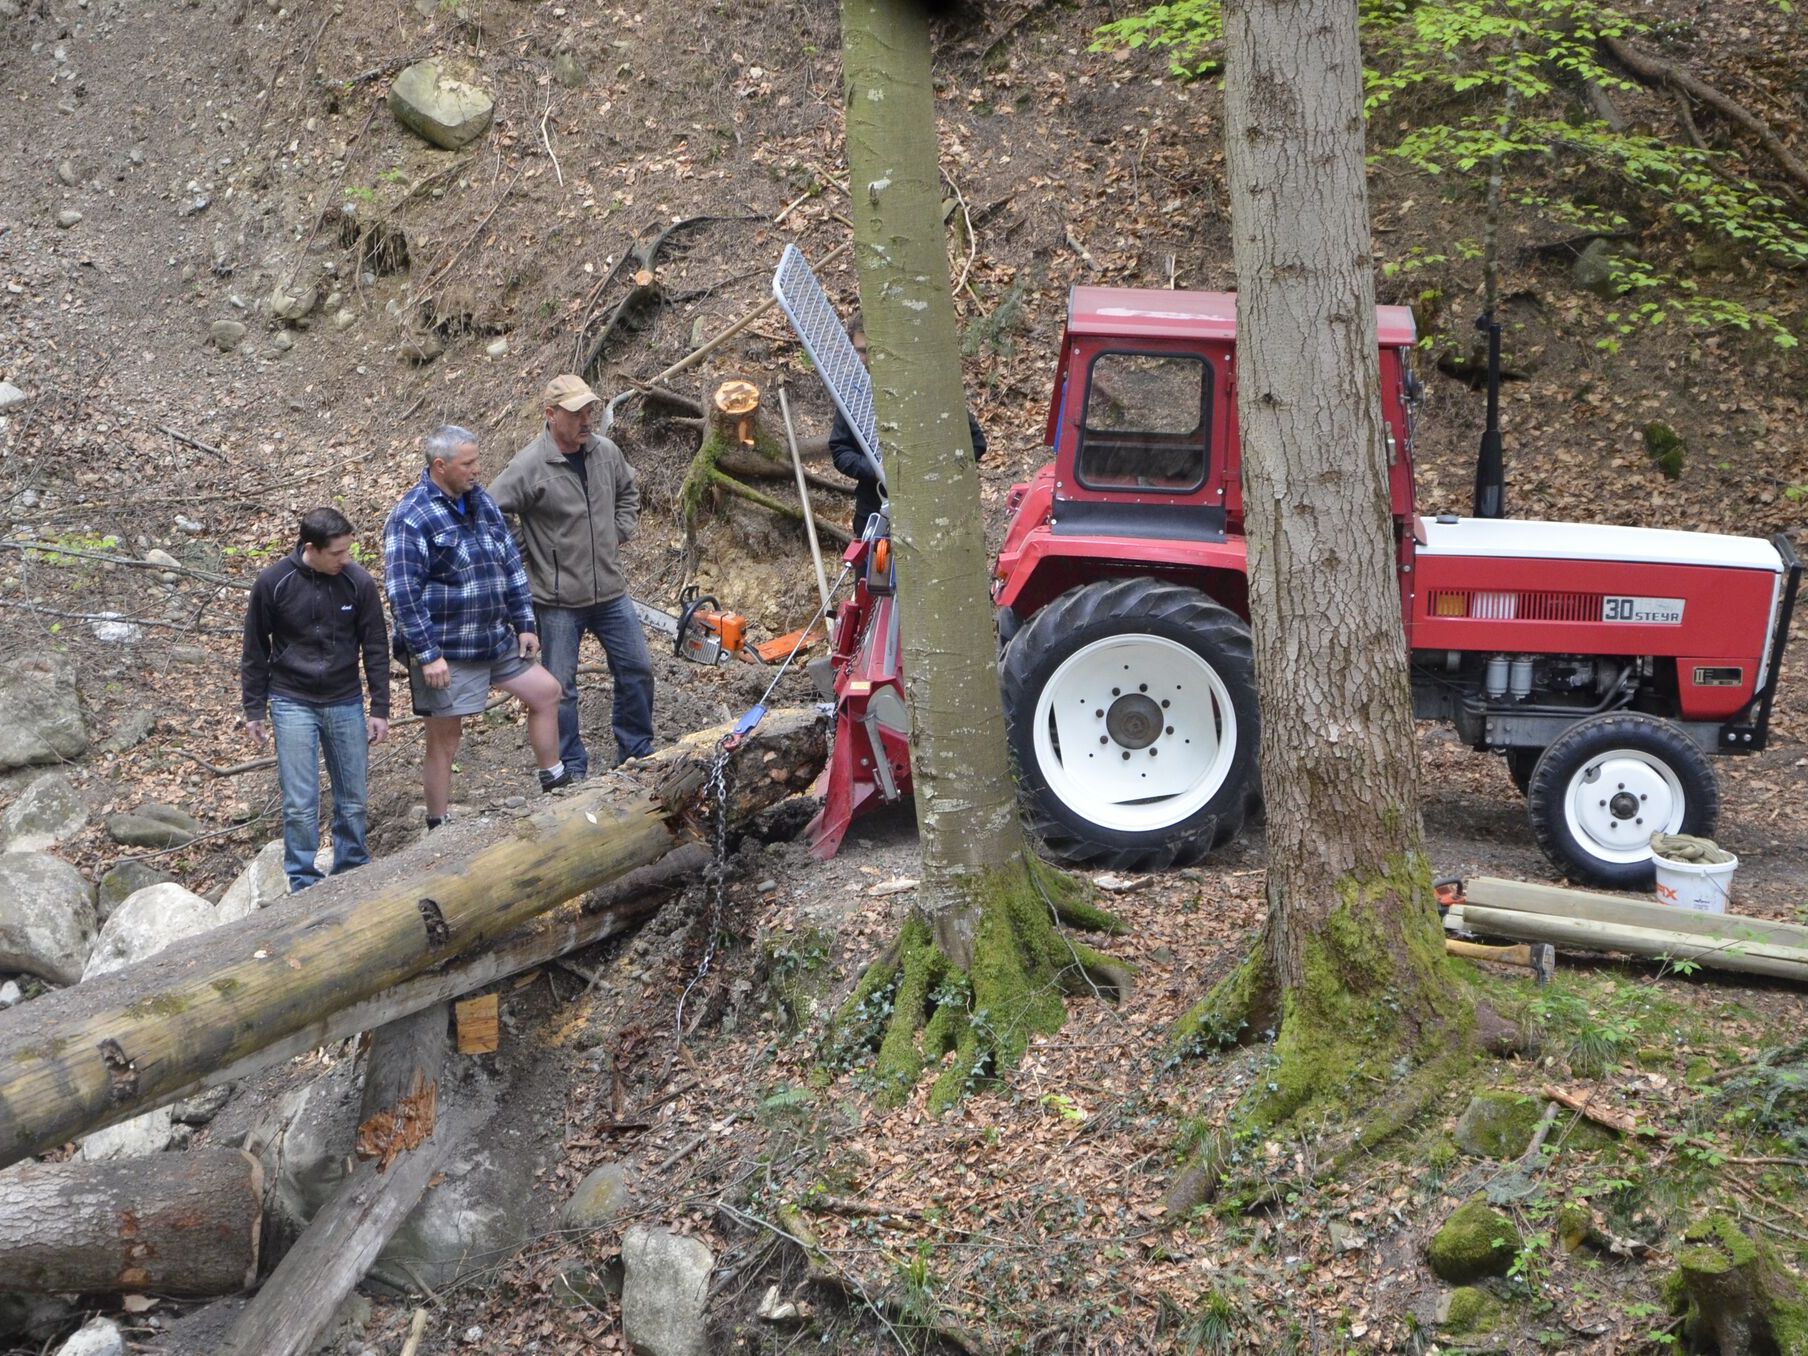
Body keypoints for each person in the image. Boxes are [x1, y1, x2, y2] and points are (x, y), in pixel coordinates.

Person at [383, 424, 568, 827]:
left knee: (546, 692)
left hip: (493, 636)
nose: (477, 470)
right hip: (446, 650)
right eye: (467, 464)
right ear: (439, 466)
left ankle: (555, 783)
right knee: (445, 739)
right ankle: (438, 824)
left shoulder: (480, 501)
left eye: (476, 461)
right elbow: (403, 594)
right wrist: (427, 655)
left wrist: (524, 622)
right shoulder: (411, 516)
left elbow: (510, 564)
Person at [490, 373, 654, 778]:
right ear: (551, 414)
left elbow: (629, 490)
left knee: (637, 670)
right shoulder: (530, 464)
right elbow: (492, 510)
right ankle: (571, 769)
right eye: (577, 412)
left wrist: (619, 530)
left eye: (590, 410)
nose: (586, 419)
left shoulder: (606, 452)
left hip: (611, 592)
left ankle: (637, 752)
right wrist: (524, 549)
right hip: (557, 600)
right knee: (560, 688)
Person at [240, 507, 391, 893]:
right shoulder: (274, 583)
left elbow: (375, 646)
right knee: (299, 801)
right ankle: (303, 879)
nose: (347, 559)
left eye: (348, 551)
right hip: (292, 699)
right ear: (312, 548)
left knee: (353, 795)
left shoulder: (358, 583)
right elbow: (255, 649)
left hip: (344, 697)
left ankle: (352, 867)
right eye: (338, 553)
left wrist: (380, 708)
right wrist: (254, 707)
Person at [827, 316, 988, 534]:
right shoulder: (853, 393)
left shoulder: (926, 387)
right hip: (874, 513)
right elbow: (840, 450)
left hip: (929, 517)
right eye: (859, 351)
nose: (864, 359)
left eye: (870, 350)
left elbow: (975, 443)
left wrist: (930, 470)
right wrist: (876, 469)